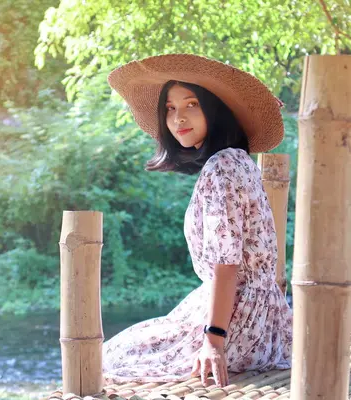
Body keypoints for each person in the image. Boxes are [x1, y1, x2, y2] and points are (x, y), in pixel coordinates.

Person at [102, 54, 292, 388]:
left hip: (239, 322)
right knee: (123, 347)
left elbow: (226, 261)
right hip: (262, 319)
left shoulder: (223, 167)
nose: (178, 118)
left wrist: (214, 340)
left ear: (216, 109)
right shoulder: (239, 161)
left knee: (107, 358)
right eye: (170, 108)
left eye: (191, 104)